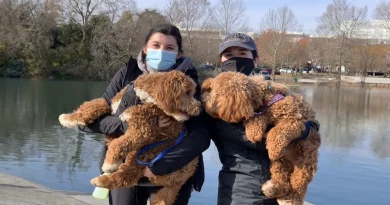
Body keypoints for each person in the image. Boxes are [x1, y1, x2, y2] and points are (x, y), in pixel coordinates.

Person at [78, 23, 210, 205]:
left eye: (169, 48)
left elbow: (201, 137)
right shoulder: (126, 75)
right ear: (145, 48)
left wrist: (157, 167)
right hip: (126, 168)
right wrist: (125, 124)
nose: (162, 51)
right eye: (156, 45)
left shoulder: (190, 83)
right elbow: (88, 122)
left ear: (179, 54)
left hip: (174, 172)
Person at [207, 33, 319, 205]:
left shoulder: (269, 93)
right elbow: (257, 140)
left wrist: (306, 127)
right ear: (221, 61)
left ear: (255, 60)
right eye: (229, 55)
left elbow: (307, 120)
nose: (236, 59)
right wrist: (299, 131)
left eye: (243, 54)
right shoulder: (217, 99)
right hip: (242, 193)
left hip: (280, 189)